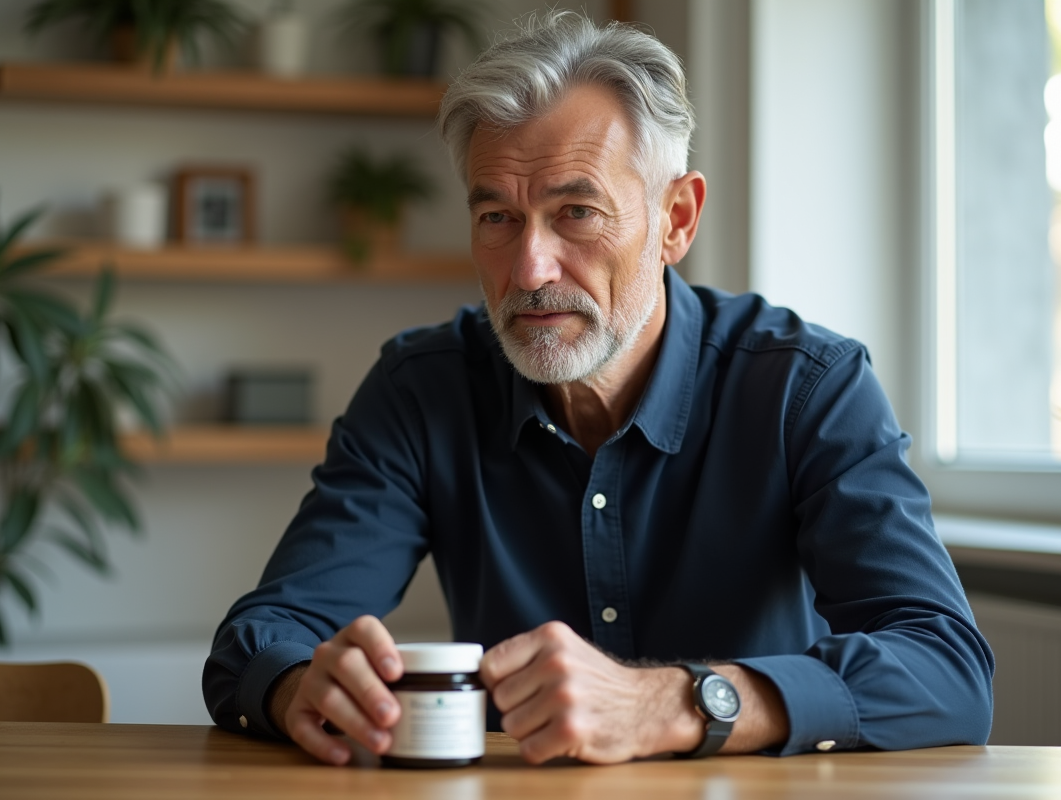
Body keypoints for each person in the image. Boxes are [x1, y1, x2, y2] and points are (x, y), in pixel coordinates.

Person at [203, 11, 993, 766]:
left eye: (575, 212)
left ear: (676, 220)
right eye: (497, 219)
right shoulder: (422, 390)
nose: (529, 271)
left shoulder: (806, 387)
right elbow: (260, 640)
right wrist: (303, 687)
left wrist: (677, 704)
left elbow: (945, 669)